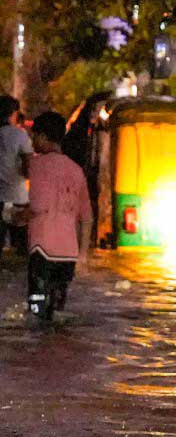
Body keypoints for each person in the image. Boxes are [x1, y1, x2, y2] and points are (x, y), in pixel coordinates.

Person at [23, 112, 91, 321]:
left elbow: (38, 206)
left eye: (34, 136)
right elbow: (87, 217)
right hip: (68, 253)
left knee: (37, 313)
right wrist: (83, 256)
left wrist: (16, 217)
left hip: (41, 250)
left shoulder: (37, 165)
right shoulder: (77, 170)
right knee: (57, 312)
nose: (33, 141)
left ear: (43, 137)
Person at [0, 95, 34, 257]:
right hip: (17, 199)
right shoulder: (19, 135)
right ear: (13, 113)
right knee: (22, 252)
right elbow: (29, 169)